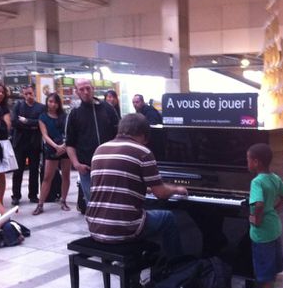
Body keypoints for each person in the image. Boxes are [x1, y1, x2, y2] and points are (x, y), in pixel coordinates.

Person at [85, 113, 187, 259]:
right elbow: (161, 194)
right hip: (123, 228)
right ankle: (177, 267)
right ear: (144, 135)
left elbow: (119, 183)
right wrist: (176, 189)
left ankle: (144, 264)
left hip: (95, 226)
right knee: (168, 217)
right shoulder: (142, 152)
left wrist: (148, 188)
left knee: (146, 213)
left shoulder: (100, 149)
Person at [244, 143, 283, 288]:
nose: (247, 163)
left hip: (262, 231)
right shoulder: (274, 177)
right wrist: (275, 206)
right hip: (274, 227)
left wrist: (256, 218)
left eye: (248, 160)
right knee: (271, 260)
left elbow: (258, 203)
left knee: (264, 266)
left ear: (256, 162)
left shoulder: (257, 181)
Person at [65, 78, 119, 204]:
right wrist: (76, 164)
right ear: (76, 92)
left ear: (93, 89)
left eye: (88, 88)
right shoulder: (74, 113)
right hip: (87, 167)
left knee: (112, 200)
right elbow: (69, 143)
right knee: (93, 203)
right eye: (81, 89)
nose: (85, 92)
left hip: (110, 164)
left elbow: (119, 134)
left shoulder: (108, 109)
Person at [32, 93, 72, 215]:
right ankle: (40, 204)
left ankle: (63, 201)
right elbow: (45, 135)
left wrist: (64, 145)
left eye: (55, 102)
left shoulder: (64, 116)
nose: (52, 104)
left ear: (59, 103)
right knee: (47, 178)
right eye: (50, 101)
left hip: (65, 148)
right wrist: (56, 146)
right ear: (47, 102)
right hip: (51, 149)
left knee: (66, 175)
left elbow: (69, 131)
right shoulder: (42, 117)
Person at [11, 85, 45, 206]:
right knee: (18, 171)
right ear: (23, 94)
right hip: (20, 143)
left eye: (30, 93)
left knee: (34, 170)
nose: (28, 96)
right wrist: (32, 125)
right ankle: (16, 196)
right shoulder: (18, 106)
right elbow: (14, 122)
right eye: (26, 94)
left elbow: (40, 122)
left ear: (34, 93)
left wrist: (25, 121)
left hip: (34, 143)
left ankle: (33, 195)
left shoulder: (41, 107)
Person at [0, 83, 12, 204]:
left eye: (2, 92)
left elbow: (7, 126)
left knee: (1, 173)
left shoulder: (4, 108)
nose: (0, 94)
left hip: (1, 142)